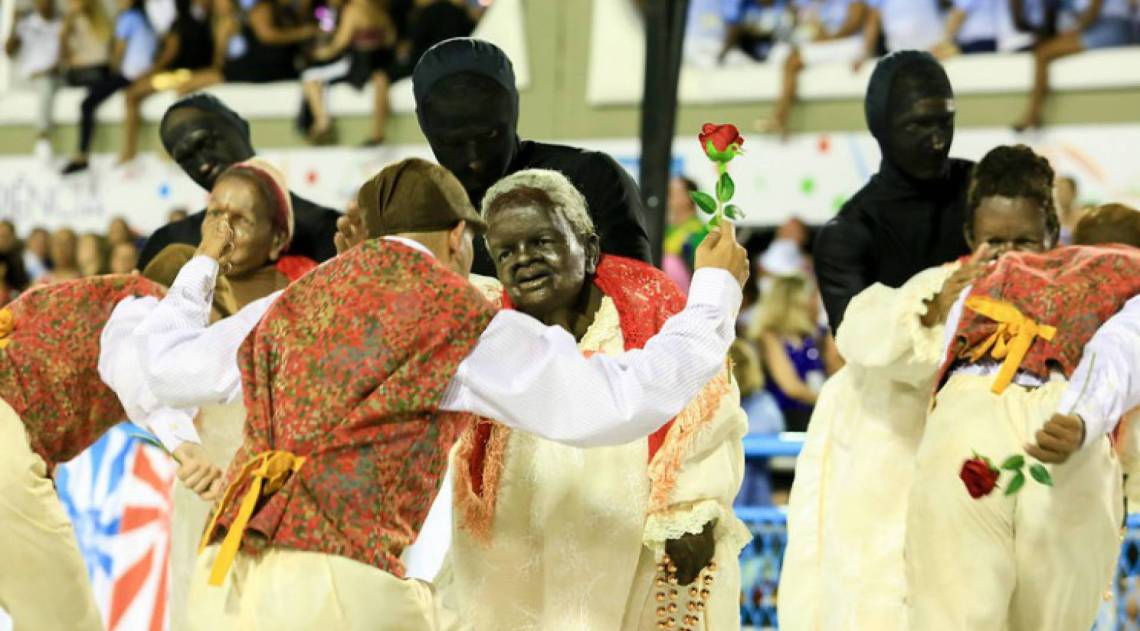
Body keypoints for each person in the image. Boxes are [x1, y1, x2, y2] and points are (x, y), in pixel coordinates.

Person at [100, 157, 748, 631]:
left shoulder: (291, 298)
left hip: (229, 581)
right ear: (460, 239)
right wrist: (714, 296)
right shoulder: (448, 311)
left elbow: (159, 366)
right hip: (340, 588)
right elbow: (613, 402)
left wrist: (199, 269)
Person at [435, 169, 750, 631]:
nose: (523, 260)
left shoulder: (651, 306)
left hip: (627, 548)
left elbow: (705, 403)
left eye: (541, 241)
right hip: (517, 545)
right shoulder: (489, 331)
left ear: (589, 248)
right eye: (506, 252)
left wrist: (690, 508)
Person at [779, 143, 1061, 631]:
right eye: (996, 242)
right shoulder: (938, 287)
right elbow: (862, 336)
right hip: (912, 526)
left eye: (1026, 242)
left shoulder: (1073, 304)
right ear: (972, 235)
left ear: (1053, 235)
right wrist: (934, 312)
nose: (1010, 259)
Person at [905, 240, 1140, 630]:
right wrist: (1082, 414)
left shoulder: (997, 271)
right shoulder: (1129, 274)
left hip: (965, 419)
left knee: (949, 611)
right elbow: (1123, 349)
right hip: (1063, 426)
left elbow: (948, 356)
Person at [0, 273, 222, 630]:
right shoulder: (148, 301)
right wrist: (184, 444)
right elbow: (140, 367)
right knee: (65, 621)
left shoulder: (81, 297)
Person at [412, 38, 652, 276]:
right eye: (453, 143)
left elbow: (640, 298)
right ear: (424, 126)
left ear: (514, 109)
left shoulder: (590, 178)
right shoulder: (414, 215)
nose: (475, 159)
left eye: (490, 135)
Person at [813, 50, 972, 333]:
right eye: (917, 126)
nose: (937, 141)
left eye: (945, 122)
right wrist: (932, 312)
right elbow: (861, 346)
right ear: (880, 127)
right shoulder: (848, 235)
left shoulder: (985, 190)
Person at [137, 93, 341, 269]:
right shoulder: (168, 245)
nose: (203, 165)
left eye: (206, 143)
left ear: (240, 126)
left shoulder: (327, 229)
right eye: (186, 160)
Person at [61, 0, 158, 174]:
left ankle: (82, 154)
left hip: (129, 75)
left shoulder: (128, 18)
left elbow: (117, 54)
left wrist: (109, 72)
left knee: (87, 103)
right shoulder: (144, 18)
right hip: (143, 73)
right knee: (95, 92)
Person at [1014, 0, 1137, 130]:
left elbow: (1093, 10)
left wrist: (1075, 30)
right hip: (1106, 25)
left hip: (1111, 27)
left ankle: (1033, 113)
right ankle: (1034, 113)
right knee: (1043, 50)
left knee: (1043, 52)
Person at [118, 0, 215, 163]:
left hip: (178, 75)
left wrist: (149, 73)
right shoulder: (204, 21)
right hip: (190, 73)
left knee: (131, 95)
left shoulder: (180, 25)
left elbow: (169, 55)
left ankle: (130, 149)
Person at [760, 0, 869, 137]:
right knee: (780, 54)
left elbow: (854, 23)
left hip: (848, 44)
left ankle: (780, 116)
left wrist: (828, 38)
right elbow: (817, 31)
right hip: (830, 43)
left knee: (792, 60)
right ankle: (780, 115)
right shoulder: (820, 6)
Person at [748, 273, 840, 431]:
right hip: (783, 420)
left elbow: (837, 370)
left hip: (820, 415)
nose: (818, 303)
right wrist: (833, 402)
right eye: (813, 297)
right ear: (796, 301)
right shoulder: (769, 337)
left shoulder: (821, 335)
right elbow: (790, 386)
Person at [300, 0, 396, 145]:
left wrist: (320, 54)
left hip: (357, 64)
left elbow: (341, 43)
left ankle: (322, 123)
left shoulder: (352, 10)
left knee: (309, 77)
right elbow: (390, 39)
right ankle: (377, 133)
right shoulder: (380, 11)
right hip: (379, 62)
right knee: (380, 80)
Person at [175, 0, 317, 93]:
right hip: (262, 67)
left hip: (264, 68)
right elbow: (266, 34)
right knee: (192, 81)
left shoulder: (276, 10)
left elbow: (267, 35)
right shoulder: (263, 8)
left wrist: (304, 33)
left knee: (196, 81)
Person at [730, 338, 785, 508]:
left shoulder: (762, 405)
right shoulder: (700, 405)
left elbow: (771, 427)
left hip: (754, 512)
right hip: (716, 510)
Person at [5, 0, 62, 161]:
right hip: (29, 79)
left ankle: (43, 137)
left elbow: (64, 58)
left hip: (52, 77)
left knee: (47, 82)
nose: (43, 5)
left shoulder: (60, 25)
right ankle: (42, 137)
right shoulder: (26, 24)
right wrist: (13, 22)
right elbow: (8, 51)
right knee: (45, 84)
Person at [663, 175, 707, 291]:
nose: (667, 197)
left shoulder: (700, 231)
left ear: (689, 198)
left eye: (671, 193)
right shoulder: (666, 229)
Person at [1055, 174, 1080, 244]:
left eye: (1065, 191)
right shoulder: (1056, 219)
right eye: (1059, 191)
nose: (1061, 195)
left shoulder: (1081, 219)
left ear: (1074, 193)